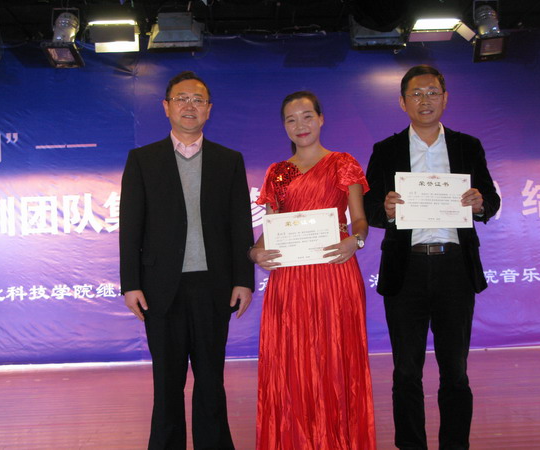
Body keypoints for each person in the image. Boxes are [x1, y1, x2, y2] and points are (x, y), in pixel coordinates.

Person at [364, 65, 500, 450]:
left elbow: (491, 200)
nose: (425, 100)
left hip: (454, 268)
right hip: (405, 269)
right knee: (406, 372)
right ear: (402, 102)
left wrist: (480, 203)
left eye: (432, 92)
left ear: (445, 98)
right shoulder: (385, 150)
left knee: (455, 372)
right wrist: (385, 209)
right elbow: (369, 208)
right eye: (416, 94)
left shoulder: (467, 146)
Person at [119, 71, 255, 449]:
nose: (189, 106)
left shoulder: (229, 161)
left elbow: (240, 225)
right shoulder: (143, 160)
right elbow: (130, 227)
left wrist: (243, 279)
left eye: (198, 99)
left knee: (211, 382)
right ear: (166, 107)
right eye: (181, 98)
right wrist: (131, 284)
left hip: (214, 287)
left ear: (209, 109)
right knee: (167, 384)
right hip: (161, 289)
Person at [250, 91, 376, 449]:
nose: (300, 125)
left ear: (321, 119)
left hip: (335, 271)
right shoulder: (278, 172)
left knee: (335, 359)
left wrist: (356, 241)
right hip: (290, 278)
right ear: (284, 126)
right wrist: (255, 253)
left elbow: (360, 220)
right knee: (291, 362)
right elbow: (270, 228)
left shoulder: (342, 163)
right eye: (291, 120)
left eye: (307, 116)